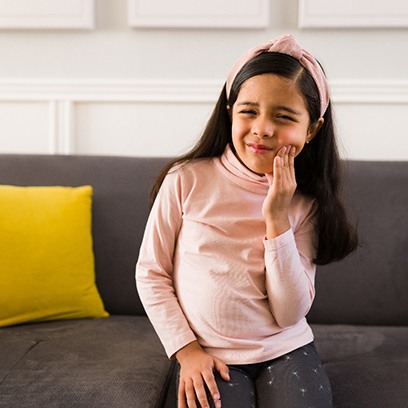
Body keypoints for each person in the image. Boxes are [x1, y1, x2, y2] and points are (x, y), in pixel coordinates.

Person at [136, 34, 358, 408]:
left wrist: (276, 217)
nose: (263, 128)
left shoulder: (306, 203)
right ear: (229, 109)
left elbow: (289, 312)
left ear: (312, 129)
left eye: (284, 117)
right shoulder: (185, 179)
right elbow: (151, 273)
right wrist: (187, 351)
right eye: (249, 111)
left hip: (285, 348)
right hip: (208, 351)